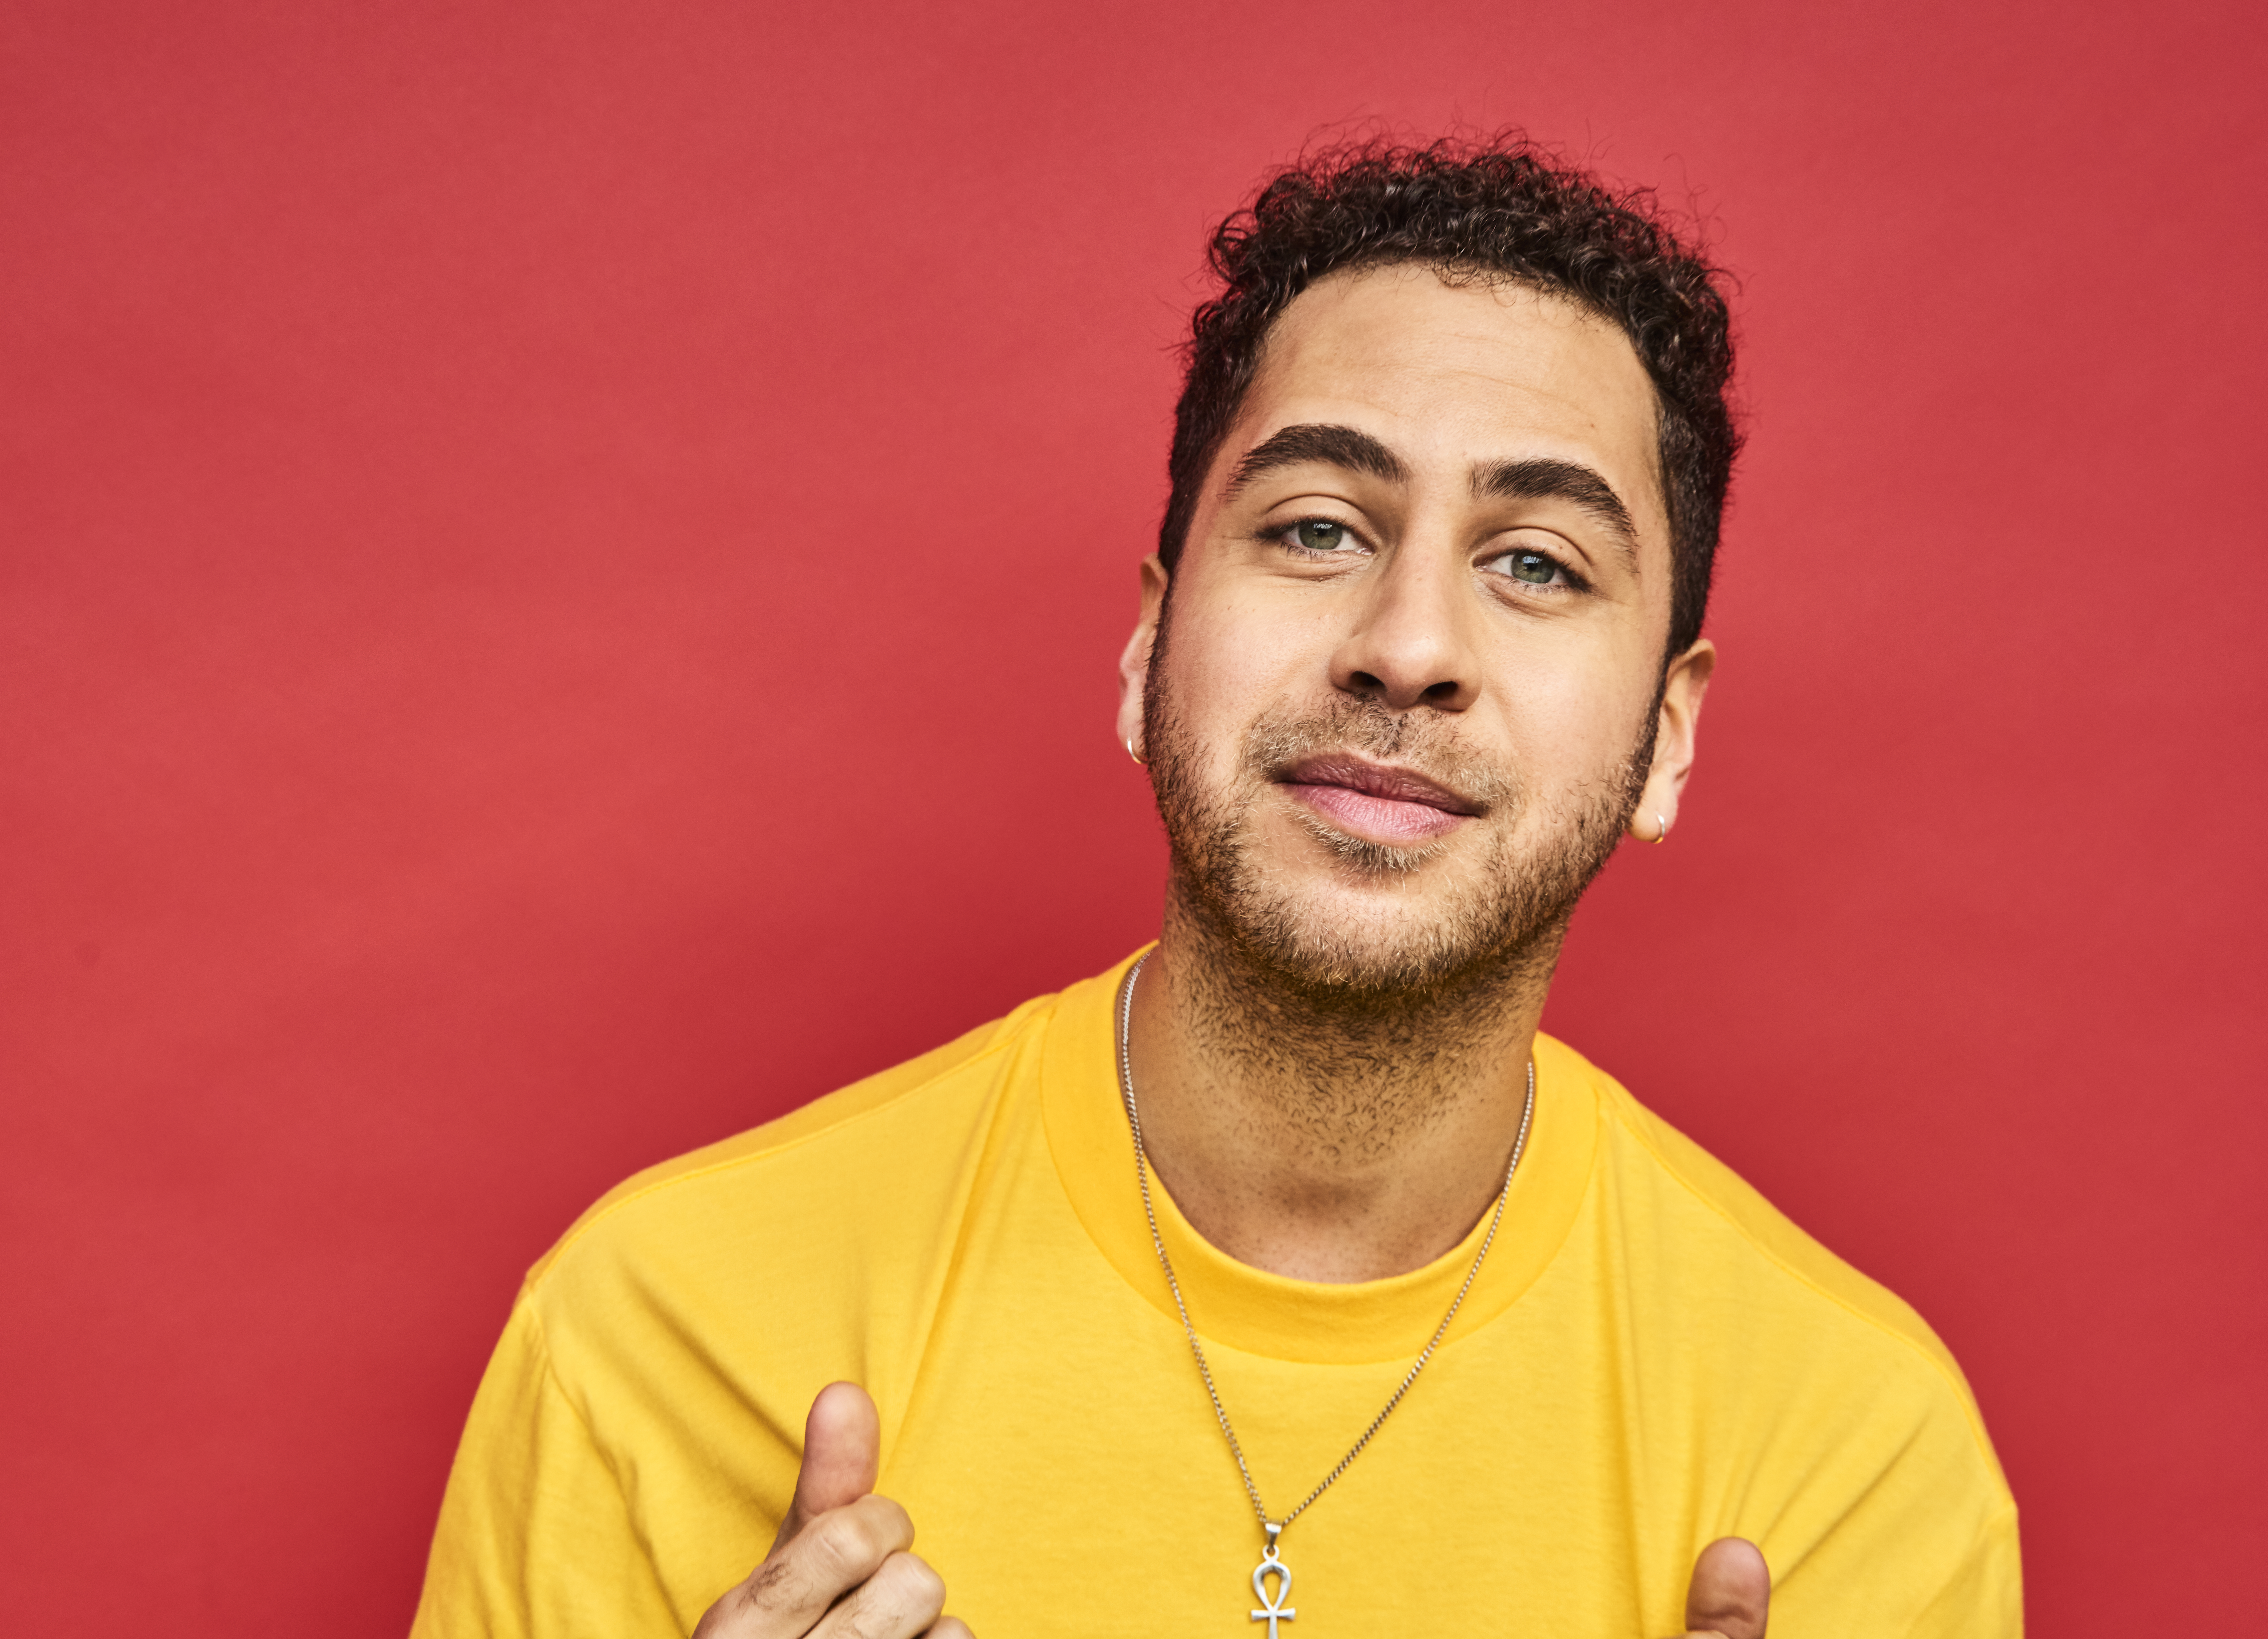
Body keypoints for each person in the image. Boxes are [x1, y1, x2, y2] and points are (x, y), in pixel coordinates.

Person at [411, 137, 2020, 1639]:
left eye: (1536, 562)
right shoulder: (663, 1331)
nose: (1408, 645)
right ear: (1146, 650)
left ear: (1667, 740)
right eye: (1317, 528)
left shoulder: (1853, 1459)